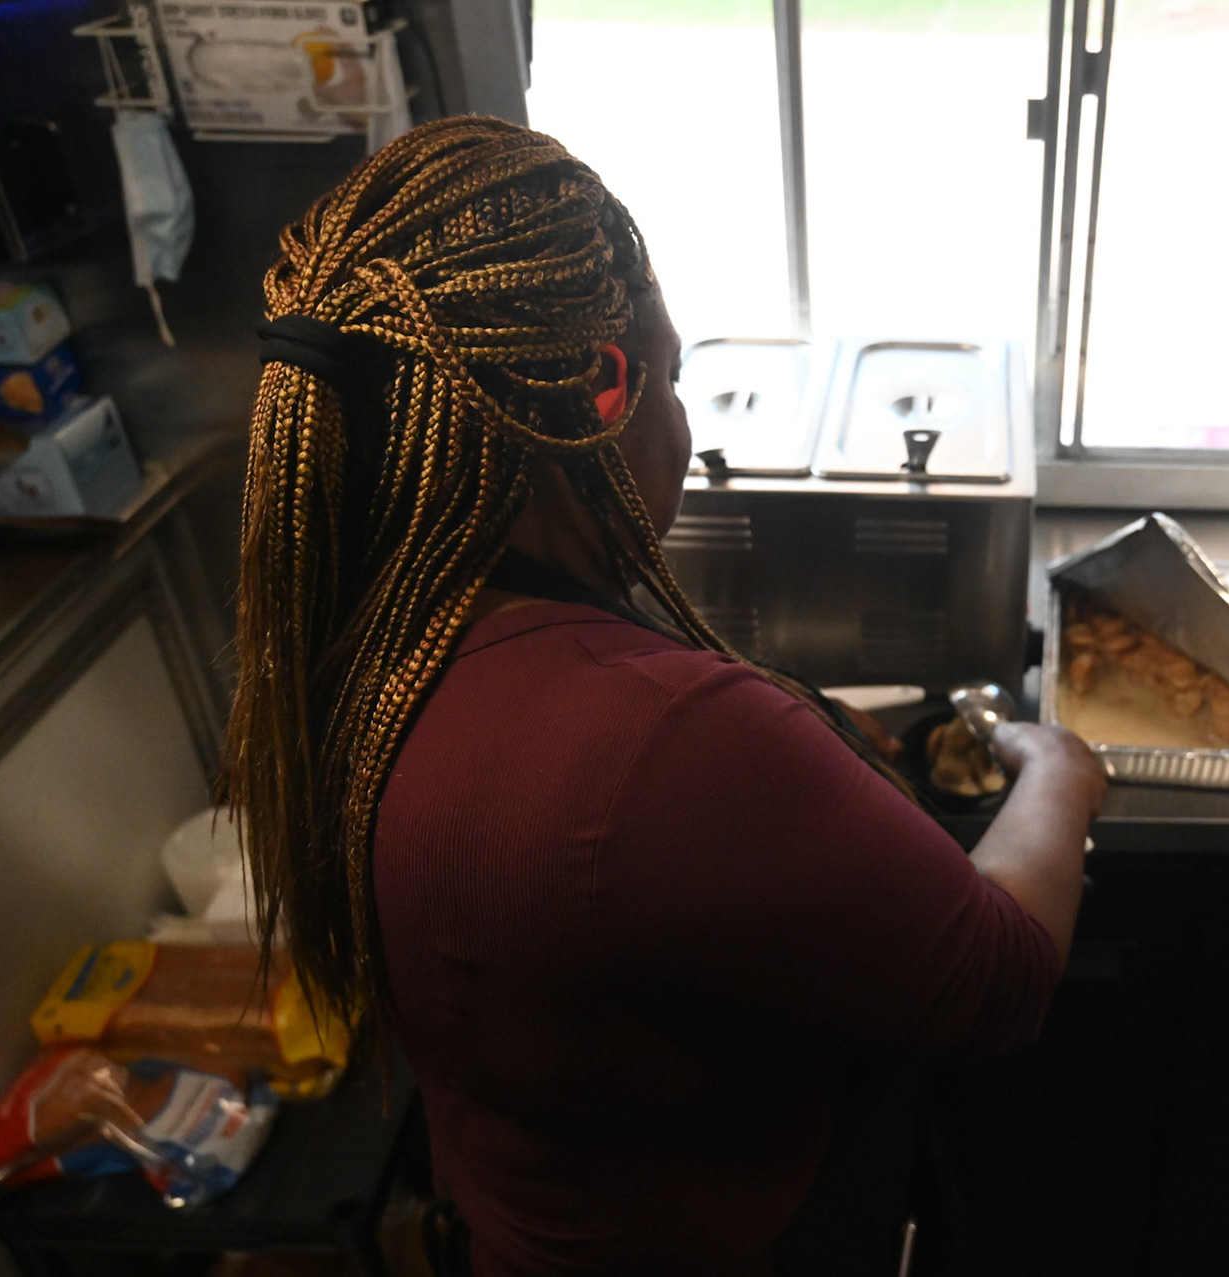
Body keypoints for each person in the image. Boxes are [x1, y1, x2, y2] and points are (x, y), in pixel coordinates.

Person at [219, 115, 1106, 1277]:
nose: (684, 422)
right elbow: (1000, 976)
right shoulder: (662, 741)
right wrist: (1060, 774)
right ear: (591, 392)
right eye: (671, 375)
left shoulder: (351, 643)